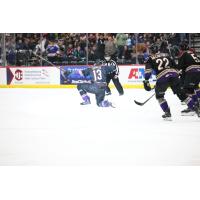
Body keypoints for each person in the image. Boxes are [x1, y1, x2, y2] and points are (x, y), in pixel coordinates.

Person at [143, 42, 199, 120]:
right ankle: (196, 108)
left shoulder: (149, 59)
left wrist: (146, 81)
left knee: (159, 96)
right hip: (174, 75)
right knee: (182, 95)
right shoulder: (166, 55)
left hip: (162, 78)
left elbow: (148, 72)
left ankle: (167, 113)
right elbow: (176, 66)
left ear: (151, 51)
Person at [177, 40, 200, 115]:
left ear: (181, 48)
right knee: (194, 87)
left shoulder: (183, 54)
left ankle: (192, 108)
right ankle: (197, 105)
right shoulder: (192, 52)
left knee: (186, 89)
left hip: (192, 72)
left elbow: (179, 67)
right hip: (198, 71)